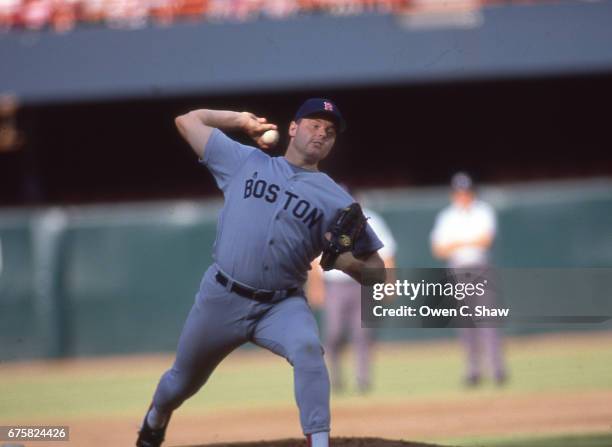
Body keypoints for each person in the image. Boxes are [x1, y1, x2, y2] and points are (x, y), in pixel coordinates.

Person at [136, 98, 386, 447]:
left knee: (308, 350)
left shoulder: (337, 199)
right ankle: (156, 416)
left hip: (281, 306)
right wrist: (241, 121)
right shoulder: (245, 161)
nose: (322, 133)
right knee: (181, 382)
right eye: (314, 124)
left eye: (329, 131)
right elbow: (187, 120)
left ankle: (319, 443)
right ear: (293, 128)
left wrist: (350, 265)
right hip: (221, 298)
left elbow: (378, 274)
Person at [307, 204, 396, 393]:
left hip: (361, 282)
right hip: (335, 285)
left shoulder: (368, 220)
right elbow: (315, 259)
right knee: (334, 333)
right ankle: (334, 379)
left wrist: (389, 282)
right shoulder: (324, 222)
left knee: (362, 333)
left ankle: (363, 380)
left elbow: (386, 254)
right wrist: (316, 285)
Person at [430, 172, 507, 386]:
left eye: (465, 192)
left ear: (471, 192)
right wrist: (467, 242)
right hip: (457, 271)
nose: (462, 196)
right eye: (459, 192)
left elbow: (485, 240)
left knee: (488, 320)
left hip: (480, 269)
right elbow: (439, 249)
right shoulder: (447, 216)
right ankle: (473, 371)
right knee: (465, 324)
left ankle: (497, 370)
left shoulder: (483, 211)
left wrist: (457, 242)